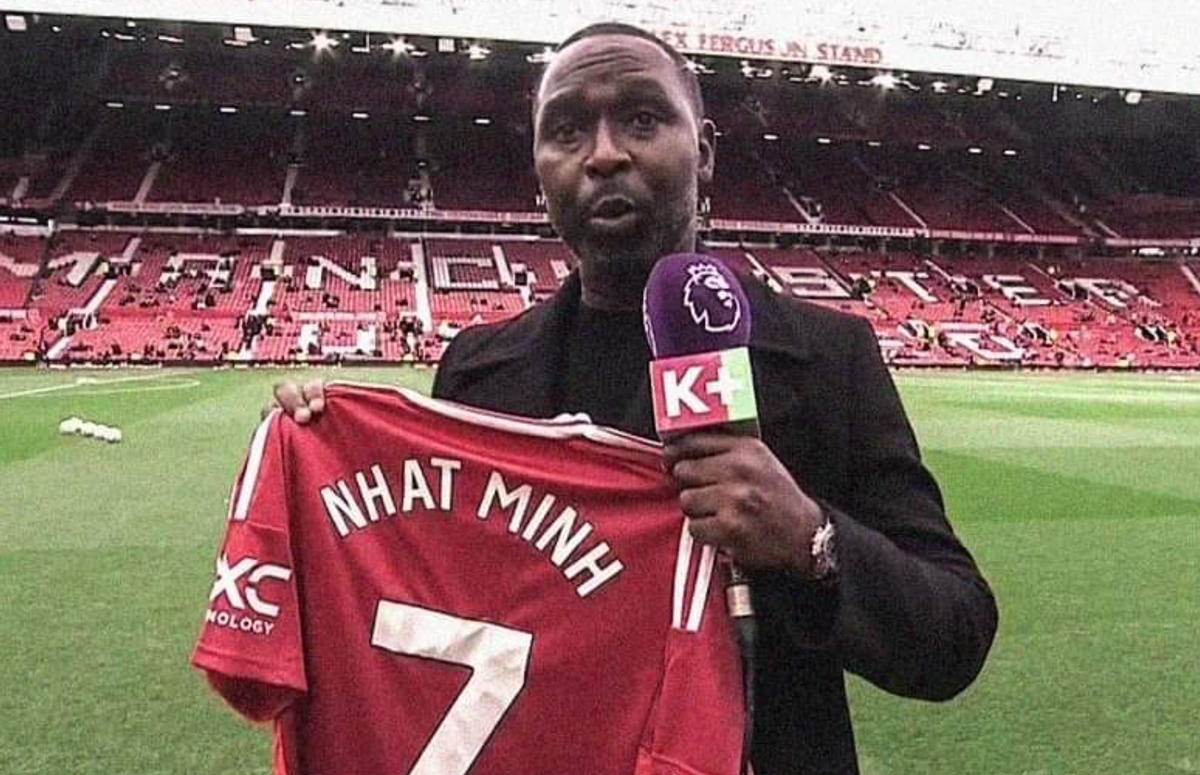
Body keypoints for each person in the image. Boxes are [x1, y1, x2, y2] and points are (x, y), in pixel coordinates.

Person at [273, 22, 997, 775]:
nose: (604, 153)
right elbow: (421, 607)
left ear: (704, 151)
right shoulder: (479, 377)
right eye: (566, 130)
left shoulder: (825, 358)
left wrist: (811, 541)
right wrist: (321, 450)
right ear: (538, 168)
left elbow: (955, 634)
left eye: (643, 120)